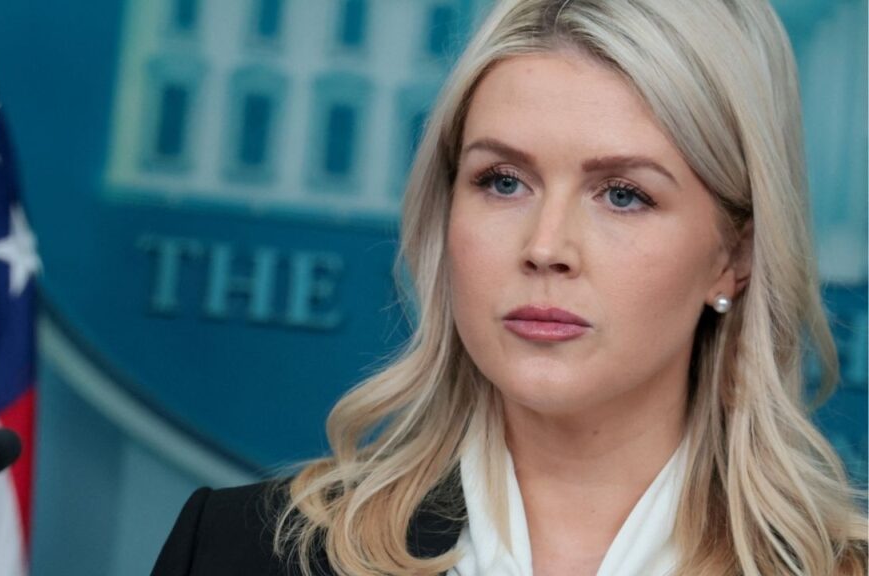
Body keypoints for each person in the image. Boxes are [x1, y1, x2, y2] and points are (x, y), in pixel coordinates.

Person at [151, 0, 868, 574]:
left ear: (733, 256)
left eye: (622, 194)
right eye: (503, 182)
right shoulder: (241, 552)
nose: (546, 247)